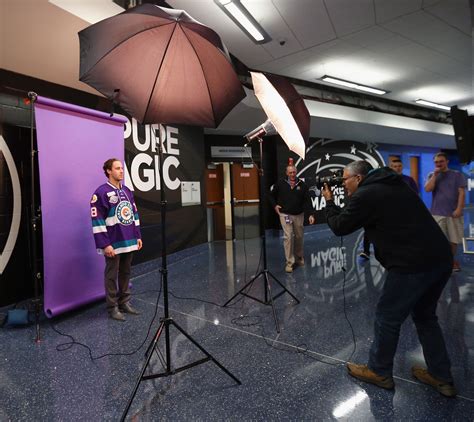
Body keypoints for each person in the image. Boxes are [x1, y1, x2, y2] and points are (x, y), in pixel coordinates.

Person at [322, 160, 456, 397]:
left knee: (387, 317)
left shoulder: (367, 194)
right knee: (425, 316)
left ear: (358, 178)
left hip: (412, 263)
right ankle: (441, 376)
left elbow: (340, 226)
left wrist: (329, 201)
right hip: (440, 258)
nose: (343, 184)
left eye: (345, 180)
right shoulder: (394, 184)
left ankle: (379, 371)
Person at [90, 158, 143, 321]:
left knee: (126, 272)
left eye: (122, 168)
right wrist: (105, 244)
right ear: (108, 171)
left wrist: (137, 235)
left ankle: (124, 302)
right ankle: (112, 307)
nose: (121, 171)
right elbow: (97, 220)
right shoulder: (100, 193)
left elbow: (134, 214)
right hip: (113, 243)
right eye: (117, 168)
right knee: (112, 274)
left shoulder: (127, 191)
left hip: (129, 240)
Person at [359, 158, 419, 261]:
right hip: (386, 211)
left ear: (402, 167)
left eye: (399, 166)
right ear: (390, 167)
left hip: (404, 212)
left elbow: (415, 195)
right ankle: (366, 251)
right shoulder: (384, 180)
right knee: (371, 229)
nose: (397, 168)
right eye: (395, 166)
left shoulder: (409, 180)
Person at [424, 152, 466, 272]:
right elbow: (427, 189)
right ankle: (440, 261)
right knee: (438, 239)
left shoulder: (457, 175)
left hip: (454, 213)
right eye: (436, 162)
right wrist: (435, 176)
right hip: (437, 213)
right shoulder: (432, 175)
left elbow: (461, 193)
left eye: (441, 161)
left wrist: (459, 208)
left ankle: (451, 261)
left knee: (454, 240)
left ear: (447, 161)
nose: (439, 164)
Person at [269, 165, 315, 273]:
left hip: (299, 215)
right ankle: (290, 262)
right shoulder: (280, 183)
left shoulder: (302, 185)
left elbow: (307, 201)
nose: (292, 175)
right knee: (288, 236)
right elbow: (270, 195)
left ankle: (299, 257)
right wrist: (275, 205)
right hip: (286, 215)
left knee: (299, 236)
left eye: (294, 172)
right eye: (290, 173)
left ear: (296, 172)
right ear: (286, 173)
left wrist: (311, 214)